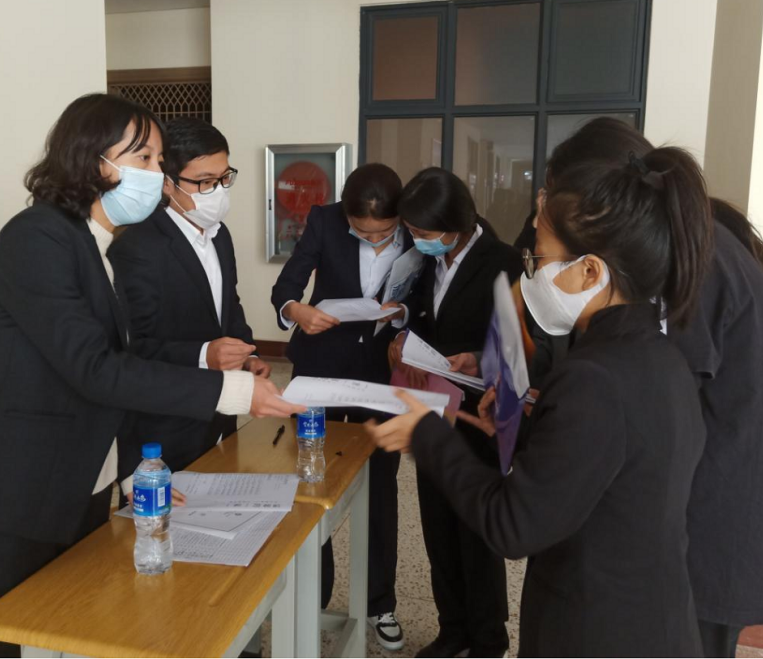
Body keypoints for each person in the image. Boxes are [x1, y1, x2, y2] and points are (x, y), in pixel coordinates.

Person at [0, 94, 302, 658]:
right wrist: (234, 391)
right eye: (144, 158)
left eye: (157, 160)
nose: (156, 174)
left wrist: (129, 472)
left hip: (75, 486)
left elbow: (109, 372)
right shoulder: (37, 237)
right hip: (8, 496)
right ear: (93, 161)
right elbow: (94, 370)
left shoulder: (97, 246)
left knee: (70, 634)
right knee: (7, 643)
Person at [369, 146, 715, 657]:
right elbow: (606, 463)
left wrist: (427, 433)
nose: (528, 272)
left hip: (598, 632)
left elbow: (512, 525)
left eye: (538, 258)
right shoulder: (662, 357)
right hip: (651, 619)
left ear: (590, 271)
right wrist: (533, 418)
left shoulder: (595, 379)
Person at [526, 118, 763, 657]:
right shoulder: (696, 244)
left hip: (712, 529)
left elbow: (654, 405)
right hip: (706, 515)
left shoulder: (697, 262)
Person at [270, 162, 411, 650]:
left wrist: (404, 314)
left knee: (382, 487)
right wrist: (296, 310)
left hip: (382, 372)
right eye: (361, 232)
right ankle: (315, 594)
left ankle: (380, 602)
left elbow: (427, 296)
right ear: (345, 215)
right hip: (321, 368)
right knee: (312, 481)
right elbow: (286, 286)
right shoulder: (323, 220)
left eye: (383, 234)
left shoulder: (415, 229)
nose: (373, 241)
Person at [387, 167, 521, 659]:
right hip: (435, 409)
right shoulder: (428, 259)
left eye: (422, 231)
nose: (416, 239)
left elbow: (519, 345)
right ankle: (452, 630)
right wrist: (404, 339)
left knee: (475, 533)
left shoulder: (504, 263)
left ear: (457, 224)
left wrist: (480, 361)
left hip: (480, 416)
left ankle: (487, 639)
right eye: (411, 231)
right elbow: (427, 318)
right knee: (438, 528)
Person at [109, 118, 268, 479]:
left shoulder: (220, 234)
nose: (218, 192)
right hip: (166, 424)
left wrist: (249, 354)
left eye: (225, 178)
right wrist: (204, 354)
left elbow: (228, 305)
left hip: (221, 413)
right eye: (205, 182)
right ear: (167, 182)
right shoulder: (137, 245)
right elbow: (133, 347)